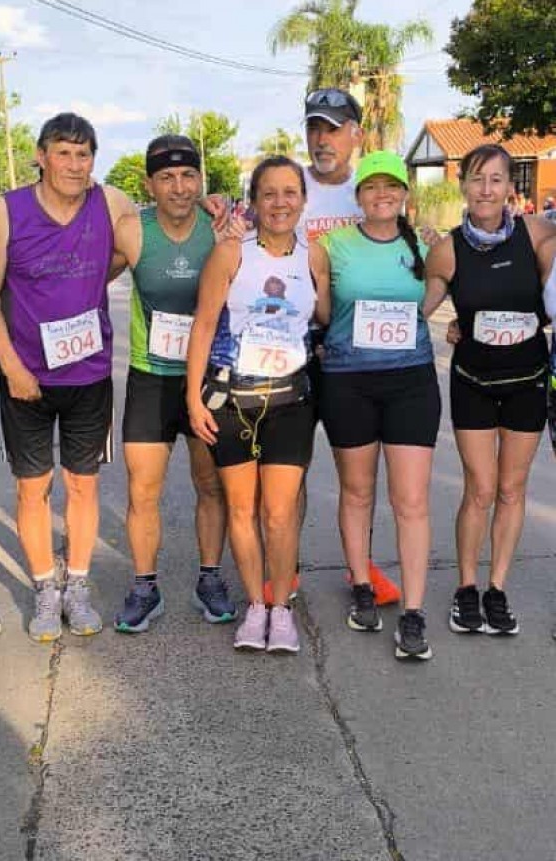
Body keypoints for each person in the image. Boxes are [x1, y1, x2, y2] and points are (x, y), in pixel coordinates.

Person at [0, 113, 138, 643]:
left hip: (89, 375)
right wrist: (11, 366)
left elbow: (142, 242)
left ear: (93, 160)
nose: (73, 164)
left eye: (83, 154)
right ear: (41, 156)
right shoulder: (6, 211)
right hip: (27, 376)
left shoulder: (110, 203)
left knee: (83, 485)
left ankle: (78, 585)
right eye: (63, 152)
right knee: (33, 488)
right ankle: (46, 586)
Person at [187, 156, 330, 653]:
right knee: (242, 509)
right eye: (269, 193)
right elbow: (204, 326)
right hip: (234, 398)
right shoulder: (231, 254)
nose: (279, 203)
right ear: (253, 202)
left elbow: (324, 314)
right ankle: (254, 607)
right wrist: (193, 398)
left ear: (303, 201)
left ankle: (281, 608)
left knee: (279, 513)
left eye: (290, 192)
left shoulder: (313, 256)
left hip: (290, 399)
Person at [265, 88, 402, 608]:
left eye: (333, 128)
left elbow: (402, 259)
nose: (322, 139)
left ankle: (360, 568)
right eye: (314, 128)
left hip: (354, 349)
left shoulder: (369, 191)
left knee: (356, 474)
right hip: (295, 346)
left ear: (356, 135)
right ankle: (286, 569)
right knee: (290, 470)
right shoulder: (289, 188)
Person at [425, 144, 556, 637]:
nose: (486, 189)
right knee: (480, 490)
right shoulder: (447, 249)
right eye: (477, 179)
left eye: (496, 180)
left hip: (527, 382)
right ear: (463, 185)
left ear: (509, 187)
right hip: (474, 383)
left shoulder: (538, 235)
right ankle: (466, 587)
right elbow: (419, 308)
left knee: (511, 489)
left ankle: (496, 588)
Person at [110, 134, 232, 633]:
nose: (179, 187)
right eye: (166, 178)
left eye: (187, 176)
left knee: (210, 484)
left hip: (208, 379)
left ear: (200, 180)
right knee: (143, 489)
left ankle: (210, 578)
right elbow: (82, 275)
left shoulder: (221, 227)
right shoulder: (130, 231)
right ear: (149, 185)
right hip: (151, 376)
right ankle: (145, 588)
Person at [319, 151, 439, 661]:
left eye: (391, 186)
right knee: (357, 491)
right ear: (359, 196)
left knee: (410, 500)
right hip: (348, 381)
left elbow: (447, 291)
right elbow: (318, 306)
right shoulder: (332, 244)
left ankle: (413, 611)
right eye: (371, 187)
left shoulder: (428, 247)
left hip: (411, 381)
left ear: (405, 193)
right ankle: (363, 585)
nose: (381, 195)